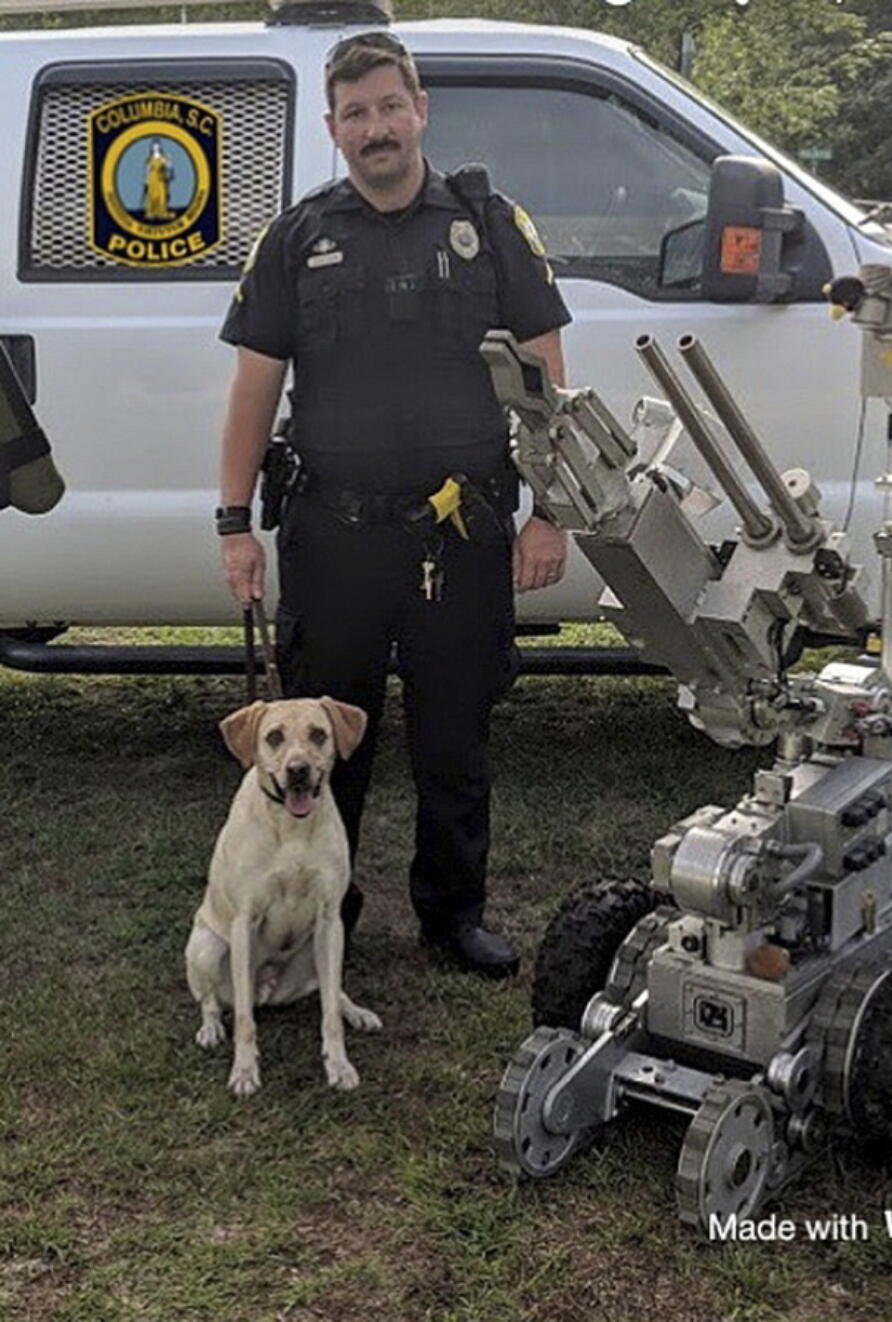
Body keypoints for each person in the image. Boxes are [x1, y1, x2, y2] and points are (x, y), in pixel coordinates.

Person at [214, 32, 570, 978]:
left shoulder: (491, 225)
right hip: (335, 537)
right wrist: (232, 521)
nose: (377, 127)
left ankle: (454, 916)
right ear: (333, 129)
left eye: (390, 105)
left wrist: (552, 510)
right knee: (330, 743)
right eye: (356, 113)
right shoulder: (296, 237)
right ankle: (331, 911)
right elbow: (255, 386)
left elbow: (544, 372)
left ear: (421, 109)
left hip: (461, 534)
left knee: (458, 734)